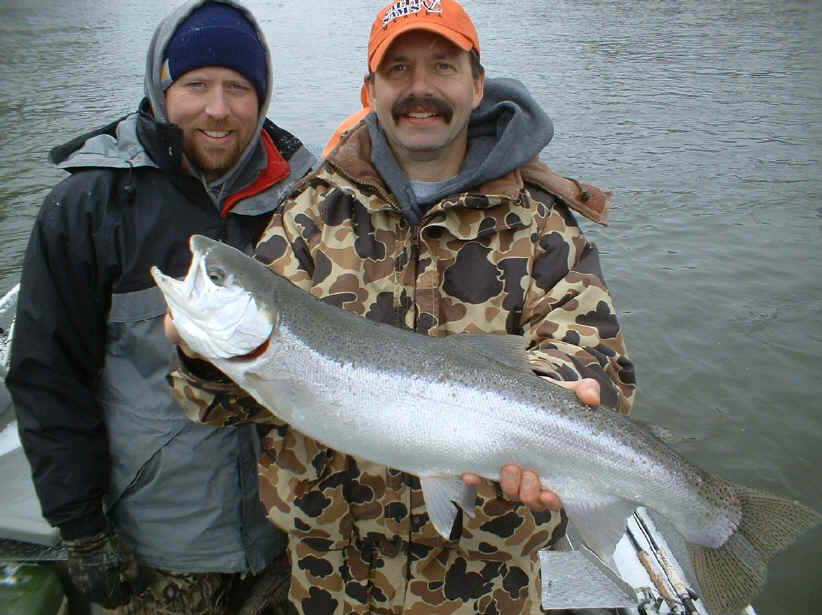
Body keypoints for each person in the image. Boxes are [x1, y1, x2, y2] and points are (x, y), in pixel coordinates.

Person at [167, 0, 636, 613]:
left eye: (442, 66)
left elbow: (596, 358)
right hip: (334, 577)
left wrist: (550, 405)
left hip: (488, 583)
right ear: (370, 90)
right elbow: (222, 406)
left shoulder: (541, 225)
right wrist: (202, 359)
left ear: (476, 84)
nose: (420, 88)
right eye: (398, 70)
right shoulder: (309, 216)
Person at [5, 1, 316, 613]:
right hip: (157, 545)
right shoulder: (90, 205)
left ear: (262, 97)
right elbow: (47, 376)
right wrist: (81, 528)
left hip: (290, 536)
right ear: (160, 88)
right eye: (195, 85)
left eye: (238, 87)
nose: (218, 109)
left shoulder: (309, 198)